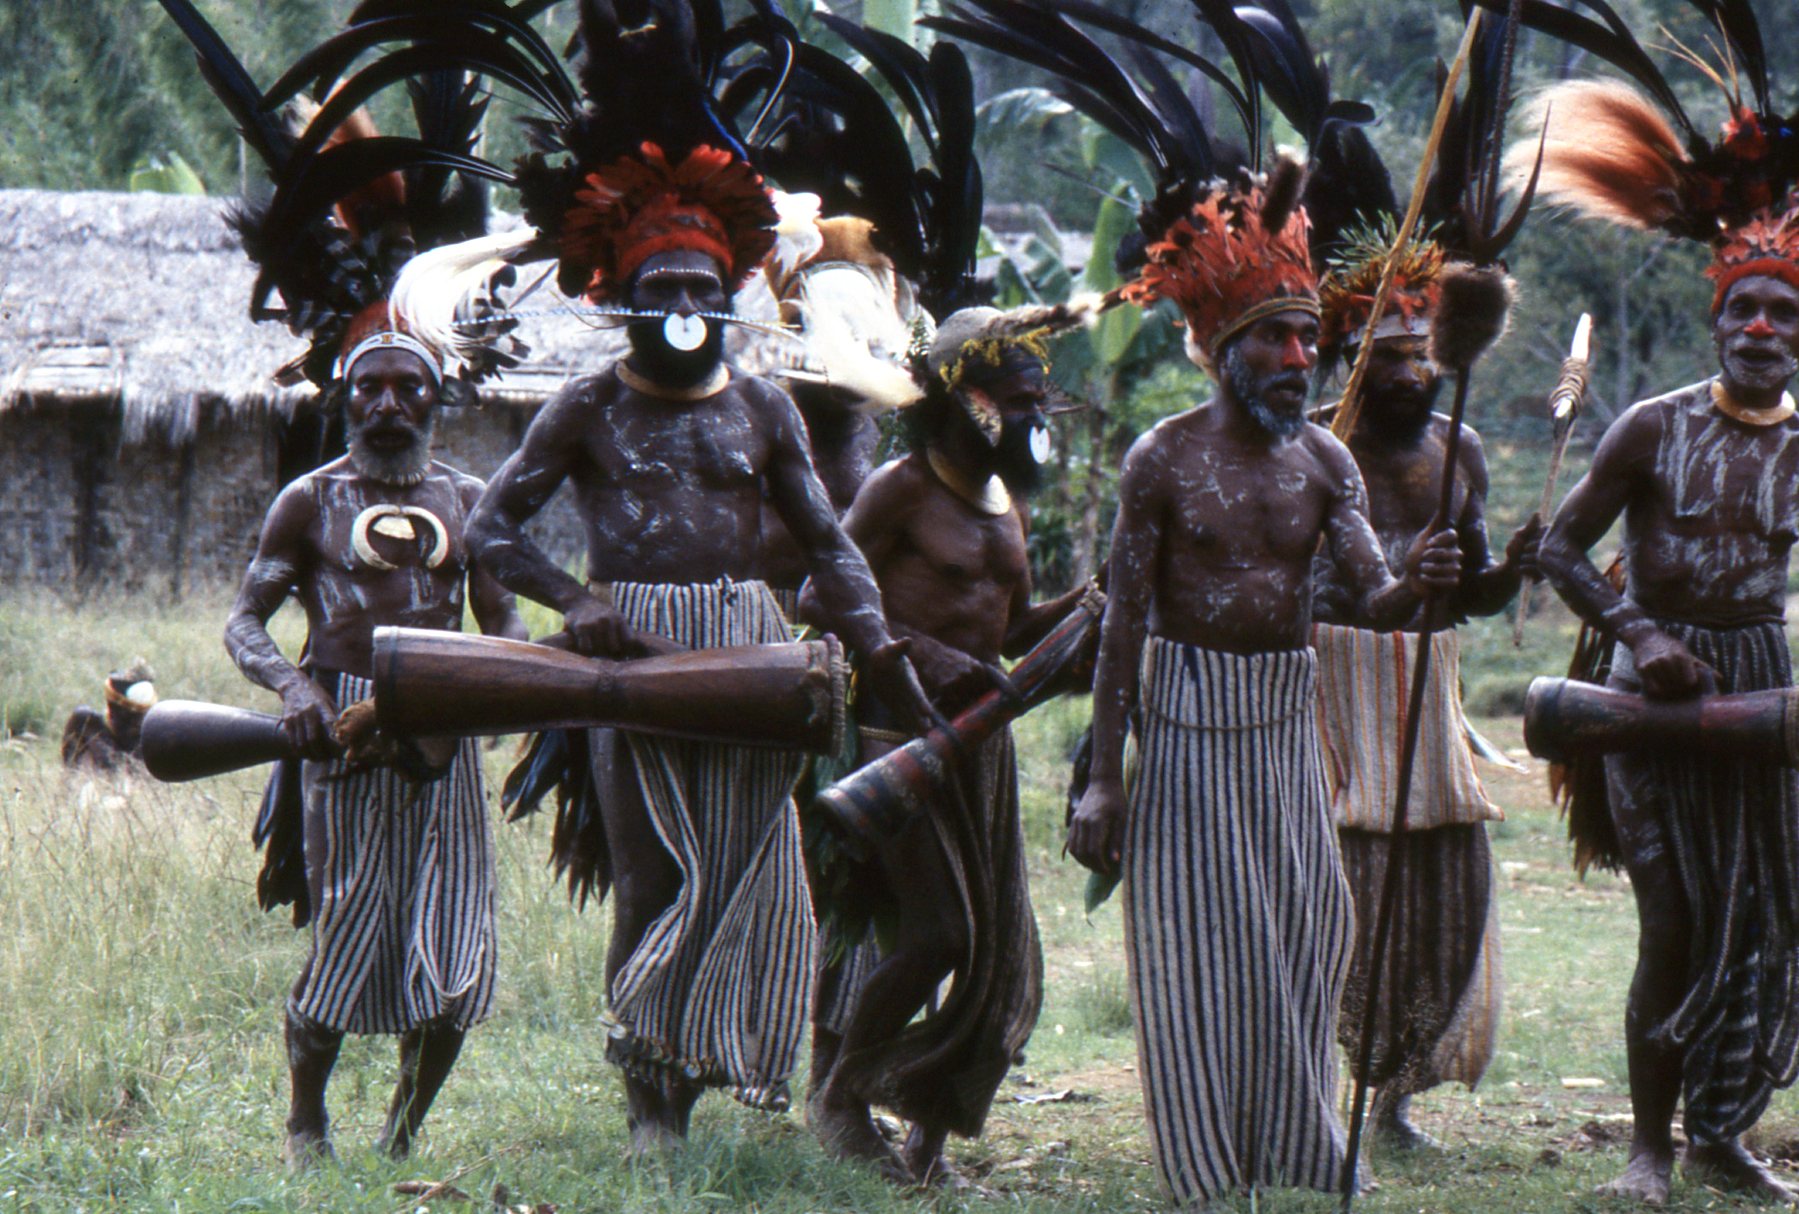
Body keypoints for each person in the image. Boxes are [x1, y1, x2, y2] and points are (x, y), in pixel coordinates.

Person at [394, 6, 937, 1145]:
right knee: (650, 876)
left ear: (731, 290)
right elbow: (491, 531)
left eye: (704, 288)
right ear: (620, 292)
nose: (688, 310)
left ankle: (711, 1063)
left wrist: (879, 652)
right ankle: (652, 1106)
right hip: (628, 654)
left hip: (746, 645)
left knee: (750, 866)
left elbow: (829, 543)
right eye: (666, 288)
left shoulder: (764, 406)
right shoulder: (586, 405)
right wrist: (578, 601)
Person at [1059, 160, 1459, 1209]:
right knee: (1200, 945)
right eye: (1273, 339)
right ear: (1220, 348)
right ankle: (1207, 1165)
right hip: (1183, 713)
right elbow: (1122, 624)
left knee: (1312, 921)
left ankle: (1295, 1141)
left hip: (1283, 716)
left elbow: (1373, 598)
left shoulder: (1324, 462)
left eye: (1305, 338)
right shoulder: (1161, 458)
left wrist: (1418, 580)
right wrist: (1104, 776)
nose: (1296, 358)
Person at [1525, 68, 1799, 1204]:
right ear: (1713, 319)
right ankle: (1646, 1146)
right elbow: (1553, 549)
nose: (1760, 328)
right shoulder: (1651, 426)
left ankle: (1718, 1136)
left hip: (1759, 686)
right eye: (1743, 309)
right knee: (1674, 923)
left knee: (1765, 919)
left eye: (1783, 312)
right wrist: (1638, 634)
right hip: (1647, 688)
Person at [225, 309, 525, 1166]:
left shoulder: (468, 501)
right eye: (370, 388)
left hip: (441, 725)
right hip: (341, 730)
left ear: (437, 397)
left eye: (407, 387)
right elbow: (245, 621)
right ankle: (305, 1125)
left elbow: (504, 621)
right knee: (350, 927)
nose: (388, 404)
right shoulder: (310, 500)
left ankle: (401, 1134)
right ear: (344, 398)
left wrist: (485, 689)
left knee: (454, 941)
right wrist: (295, 687)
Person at [802, 306, 1094, 1183]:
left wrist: (1091, 606)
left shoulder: (1007, 503)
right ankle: (839, 1097)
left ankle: (924, 1138)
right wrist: (923, 657)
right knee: (939, 935)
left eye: (1040, 398)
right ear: (965, 399)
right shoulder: (900, 487)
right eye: (1019, 399)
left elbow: (1008, 635)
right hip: (894, 735)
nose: (1036, 415)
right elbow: (821, 596)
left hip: (977, 748)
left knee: (995, 953)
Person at [1311, 240, 1540, 1147]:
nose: (1410, 373)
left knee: (1444, 886)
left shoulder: (1459, 448)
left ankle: (1393, 1096)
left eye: (1421, 353)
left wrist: (1509, 569)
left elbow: (1471, 594)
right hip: (1332, 687)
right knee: (1349, 890)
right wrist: (1398, 584)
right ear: (1348, 360)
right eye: (1388, 356)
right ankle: (1322, 1087)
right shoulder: (1315, 446)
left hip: (1427, 684)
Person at [61, 661, 157, 773]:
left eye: (143, 715)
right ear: (113, 709)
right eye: (130, 716)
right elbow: (69, 769)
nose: (138, 723)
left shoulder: (153, 741)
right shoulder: (86, 724)